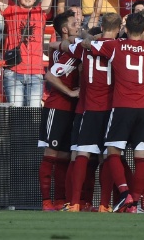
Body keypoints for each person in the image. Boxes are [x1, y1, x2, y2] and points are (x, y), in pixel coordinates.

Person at [81, 13, 144, 213]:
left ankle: (123, 193)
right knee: (142, 157)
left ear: (125, 29)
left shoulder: (115, 46)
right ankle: (134, 202)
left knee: (112, 151)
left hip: (122, 107)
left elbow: (87, 44)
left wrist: (89, 37)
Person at [62, 12, 121, 213]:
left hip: (90, 108)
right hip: (112, 109)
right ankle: (104, 204)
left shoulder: (84, 47)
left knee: (82, 153)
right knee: (107, 156)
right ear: (119, 28)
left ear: (102, 26)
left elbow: (66, 45)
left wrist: (87, 38)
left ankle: (75, 203)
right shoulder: (119, 47)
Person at [0, 0, 59, 106]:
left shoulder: (40, 12)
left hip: (35, 71)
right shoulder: (10, 10)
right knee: (17, 114)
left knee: (33, 114)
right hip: (13, 71)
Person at [37, 11, 80, 211]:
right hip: (57, 106)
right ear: (64, 29)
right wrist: (71, 93)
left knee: (64, 156)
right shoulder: (61, 53)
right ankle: (47, 201)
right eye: (74, 24)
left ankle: (61, 200)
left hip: (72, 110)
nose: (78, 26)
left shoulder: (71, 48)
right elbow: (50, 76)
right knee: (51, 153)